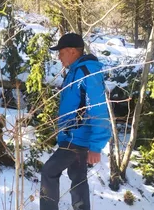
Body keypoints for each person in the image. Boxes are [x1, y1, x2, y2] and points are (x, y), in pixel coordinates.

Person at [40, 33, 111, 210]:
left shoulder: (87, 72)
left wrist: (96, 145)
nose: (59, 57)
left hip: (77, 138)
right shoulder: (74, 72)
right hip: (71, 136)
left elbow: (99, 107)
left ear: (72, 51)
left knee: (49, 171)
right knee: (78, 180)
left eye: (61, 52)